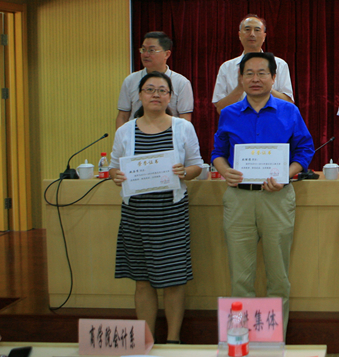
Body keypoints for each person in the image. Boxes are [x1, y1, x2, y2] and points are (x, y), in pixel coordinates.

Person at [211, 51, 314, 337]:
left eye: (262, 73)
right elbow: (217, 152)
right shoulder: (229, 113)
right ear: (240, 78)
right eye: (249, 73)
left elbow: (305, 149)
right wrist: (224, 170)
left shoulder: (289, 111)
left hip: (277, 198)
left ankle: (272, 342)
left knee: (278, 276)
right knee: (240, 277)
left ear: (273, 77)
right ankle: (239, 341)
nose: (255, 79)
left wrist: (287, 174)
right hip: (239, 198)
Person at [109, 71, 203, 343]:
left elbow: (197, 165)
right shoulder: (125, 131)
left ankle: (173, 340)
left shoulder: (183, 127)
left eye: (162, 90)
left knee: (174, 279)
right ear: (139, 95)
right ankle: (145, 340)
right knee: (142, 280)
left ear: (170, 97)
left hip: (170, 211)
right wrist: (116, 176)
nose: (156, 95)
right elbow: (114, 168)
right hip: (136, 212)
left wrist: (185, 172)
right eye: (150, 89)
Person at [213, 14, 294, 113]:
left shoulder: (280, 65)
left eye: (257, 30)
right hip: (238, 121)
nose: (252, 34)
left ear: (264, 36)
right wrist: (240, 88)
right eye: (247, 29)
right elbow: (220, 109)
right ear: (239, 35)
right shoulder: (226, 67)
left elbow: (289, 104)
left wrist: (267, 87)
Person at [116, 31, 193, 129]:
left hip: (168, 135)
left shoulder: (181, 83)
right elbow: (123, 116)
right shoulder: (130, 80)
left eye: (151, 50)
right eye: (143, 49)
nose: (145, 54)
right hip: (137, 135)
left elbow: (185, 118)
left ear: (167, 54)